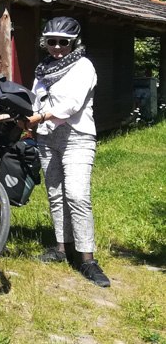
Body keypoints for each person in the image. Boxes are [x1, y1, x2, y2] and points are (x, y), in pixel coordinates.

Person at [24, 16, 110, 287]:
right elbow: (35, 100)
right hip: (48, 138)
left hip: (77, 137)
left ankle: (87, 259)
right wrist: (23, 116)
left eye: (64, 42)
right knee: (55, 193)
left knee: (77, 195)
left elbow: (71, 105)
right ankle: (62, 248)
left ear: (75, 43)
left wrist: (39, 118)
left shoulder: (83, 66)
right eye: (52, 42)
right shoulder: (43, 69)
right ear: (44, 42)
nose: (57, 47)